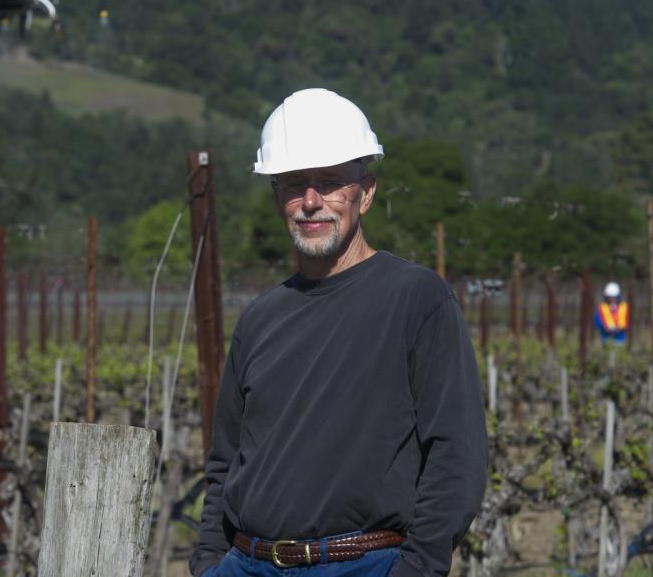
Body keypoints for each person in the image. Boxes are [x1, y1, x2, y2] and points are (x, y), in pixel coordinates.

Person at [190, 88, 488, 577]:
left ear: (365, 193)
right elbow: (225, 460)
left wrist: (416, 570)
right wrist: (206, 563)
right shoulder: (260, 318)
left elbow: (457, 456)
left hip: (360, 564)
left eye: (329, 183)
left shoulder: (416, 299)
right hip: (245, 564)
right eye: (293, 184)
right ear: (276, 196)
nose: (310, 202)